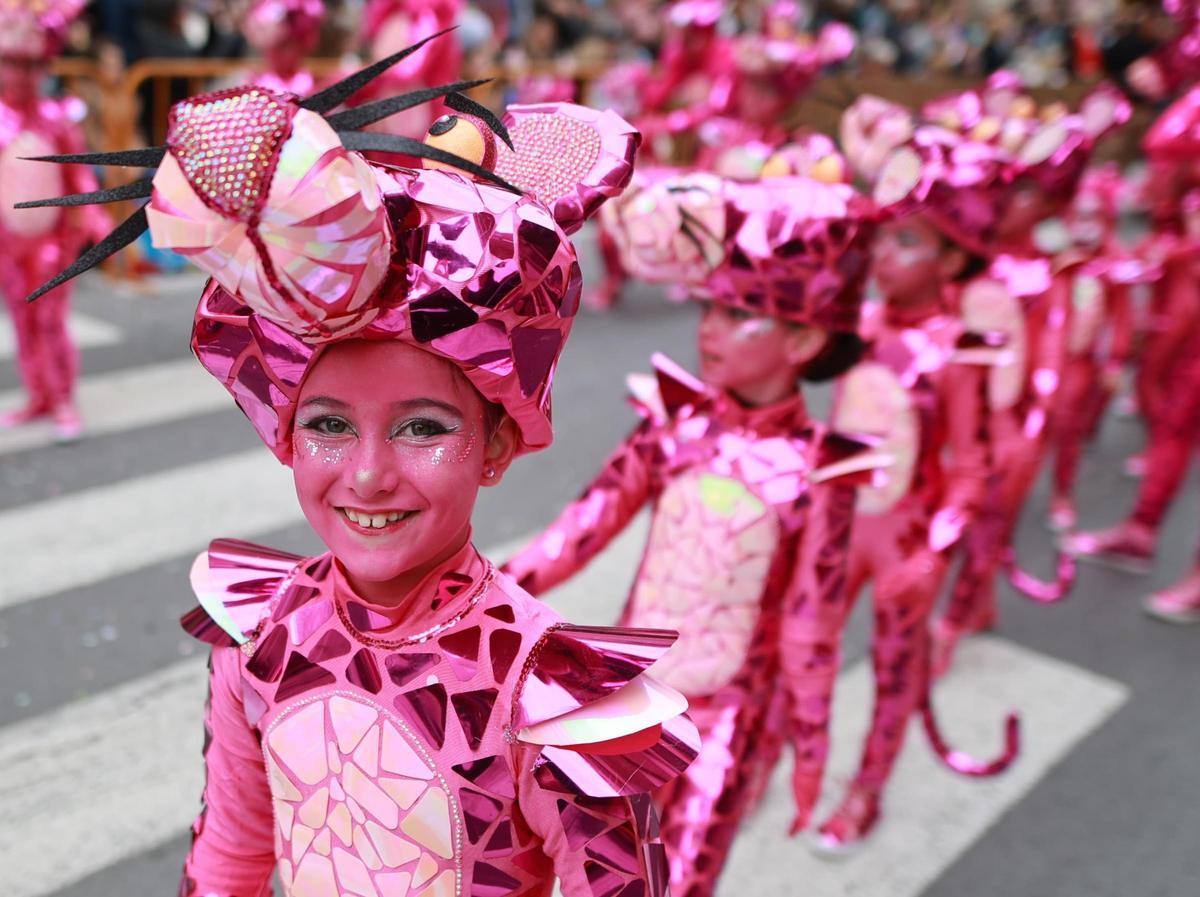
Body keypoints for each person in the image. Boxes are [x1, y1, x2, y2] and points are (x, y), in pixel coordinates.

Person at [24, 43, 700, 896]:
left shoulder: (544, 694)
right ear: (284, 431)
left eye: (423, 426)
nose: (369, 476)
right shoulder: (262, 638)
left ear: (496, 444)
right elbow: (229, 856)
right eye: (330, 425)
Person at [504, 153, 890, 896]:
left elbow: (812, 627)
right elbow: (585, 524)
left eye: (740, 315)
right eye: (710, 307)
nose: (711, 329)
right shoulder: (674, 425)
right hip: (630, 693)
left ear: (804, 341)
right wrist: (486, 596)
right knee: (605, 872)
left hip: (730, 721)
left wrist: (809, 747)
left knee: (683, 880)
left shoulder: (818, 469)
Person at [815, 120, 1021, 850]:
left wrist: (935, 549)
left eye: (909, 242)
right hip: (839, 529)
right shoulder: (859, 324)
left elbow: (972, 467)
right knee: (800, 651)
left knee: (893, 670)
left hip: (905, 536)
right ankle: (774, 765)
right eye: (885, 237)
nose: (886, 256)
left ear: (952, 257)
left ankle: (867, 790)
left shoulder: (960, 349)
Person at [0, 0, 109, 441]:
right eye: (11, 64)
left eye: (32, 65)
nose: (22, 75)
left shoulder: (57, 119)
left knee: (50, 319)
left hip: (53, 240)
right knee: (22, 320)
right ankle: (38, 395)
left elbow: (79, 173)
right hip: (8, 240)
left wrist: (95, 218)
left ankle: (63, 397)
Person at [241, 0, 325, 95]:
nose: (280, 55)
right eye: (275, 49)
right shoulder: (250, 83)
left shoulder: (315, 84)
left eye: (287, 47)